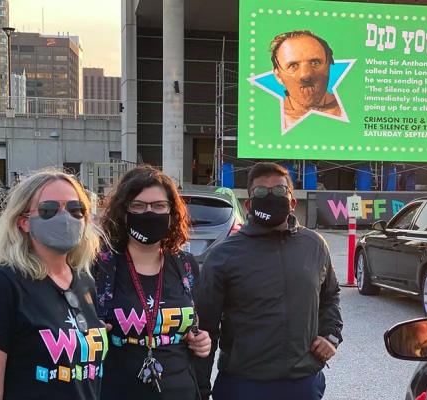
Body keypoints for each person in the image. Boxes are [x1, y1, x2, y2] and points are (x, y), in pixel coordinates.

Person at [196, 162, 343, 400]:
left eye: (280, 191)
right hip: (243, 385)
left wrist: (330, 334)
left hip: (303, 383)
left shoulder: (314, 245)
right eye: (261, 192)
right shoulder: (223, 255)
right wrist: (200, 390)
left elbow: (331, 295)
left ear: (292, 202)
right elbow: (205, 330)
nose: (271, 196)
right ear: (248, 204)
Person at [0, 168, 107, 400]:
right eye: (49, 209)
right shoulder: (4, 284)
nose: (65, 218)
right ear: (23, 222)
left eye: (76, 210)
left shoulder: (84, 282)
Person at [94, 165, 211, 400]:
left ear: (171, 212)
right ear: (123, 212)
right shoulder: (100, 266)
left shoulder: (185, 265)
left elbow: (194, 326)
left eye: (159, 206)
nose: (150, 213)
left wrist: (202, 342)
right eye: (138, 206)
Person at [270, 30, 342, 129]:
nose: (305, 75)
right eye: (293, 65)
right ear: (278, 75)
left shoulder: (352, 111)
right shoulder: (268, 121)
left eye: (315, 63)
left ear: (329, 65)